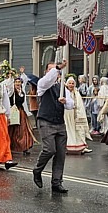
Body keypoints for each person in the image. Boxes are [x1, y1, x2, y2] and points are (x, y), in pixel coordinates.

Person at [32, 60, 74, 193]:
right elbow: (47, 80)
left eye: (55, 71)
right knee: (49, 149)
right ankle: (37, 170)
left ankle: (57, 182)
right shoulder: (42, 84)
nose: (54, 72)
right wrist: (57, 68)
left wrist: (65, 101)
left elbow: (71, 105)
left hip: (60, 123)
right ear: (46, 72)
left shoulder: (62, 87)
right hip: (46, 121)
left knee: (61, 154)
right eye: (50, 70)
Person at [64, 76, 92, 154]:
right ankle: (68, 146)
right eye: (69, 83)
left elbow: (80, 104)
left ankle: (80, 146)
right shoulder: (64, 92)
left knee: (78, 130)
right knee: (68, 130)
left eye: (72, 83)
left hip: (75, 114)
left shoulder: (76, 93)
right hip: (66, 114)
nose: (71, 85)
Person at [7, 77, 35, 155]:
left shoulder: (22, 92)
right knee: (12, 130)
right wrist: (10, 76)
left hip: (21, 112)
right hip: (13, 111)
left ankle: (24, 147)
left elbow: (24, 103)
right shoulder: (11, 91)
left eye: (19, 82)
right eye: (16, 82)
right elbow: (9, 87)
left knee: (23, 130)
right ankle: (10, 146)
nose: (18, 83)